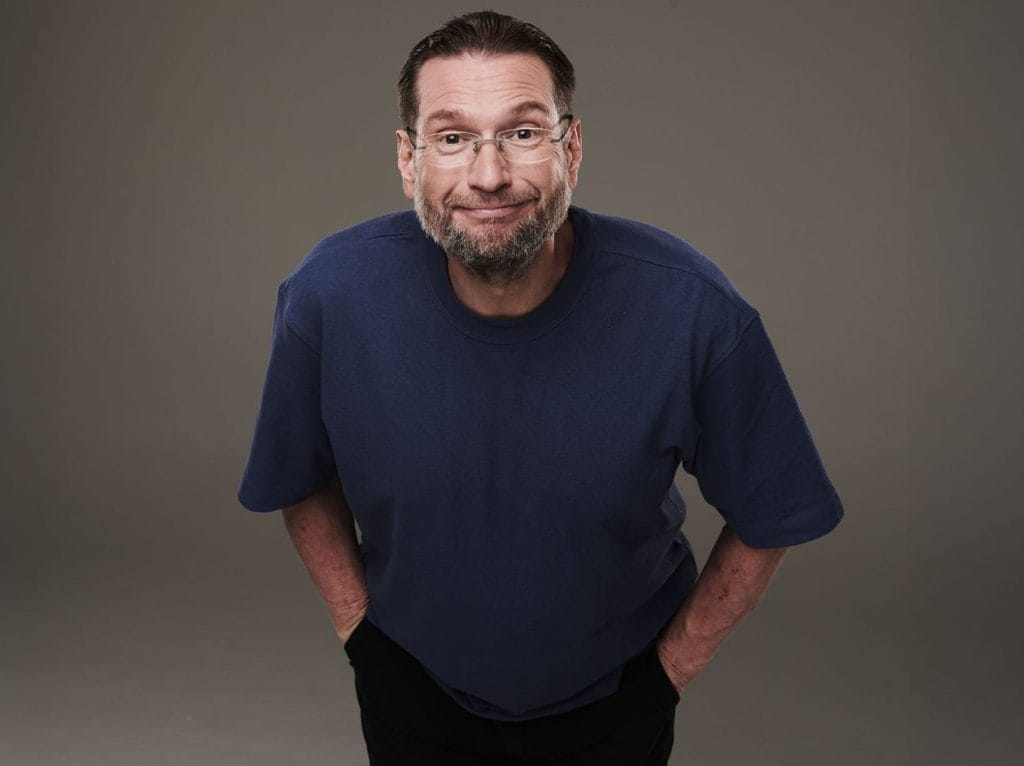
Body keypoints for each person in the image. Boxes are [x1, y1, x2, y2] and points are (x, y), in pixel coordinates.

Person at [238, 10, 843, 765]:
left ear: (572, 148)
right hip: (409, 686)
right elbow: (297, 475)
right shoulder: (329, 296)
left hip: (616, 701)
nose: (489, 175)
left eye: (523, 133)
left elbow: (774, 510)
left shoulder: (692, 310)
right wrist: (360, 634)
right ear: (408, 159)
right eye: (452, 138)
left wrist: (668, 674)